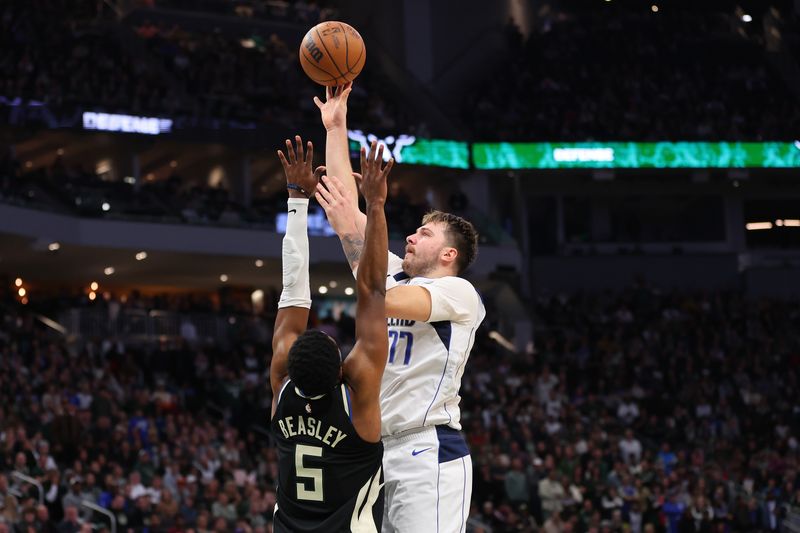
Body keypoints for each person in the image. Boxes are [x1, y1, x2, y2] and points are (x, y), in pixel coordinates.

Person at [315, 85, 486, 532]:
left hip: (426, 451)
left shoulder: (459, 294)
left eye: (425, 235)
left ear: (449, 256)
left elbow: (379, 298)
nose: (411, 237)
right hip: (374, 451)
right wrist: (336, 127)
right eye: (413, 231)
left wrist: (376, 207)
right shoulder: (389, 274)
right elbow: (345, 211)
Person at [269, 135, 392, 532]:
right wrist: (373, 204)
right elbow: (373, 289)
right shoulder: (354, 406)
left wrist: (296, 199)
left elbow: (292, 293)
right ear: (342, 368)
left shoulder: (283, 390)